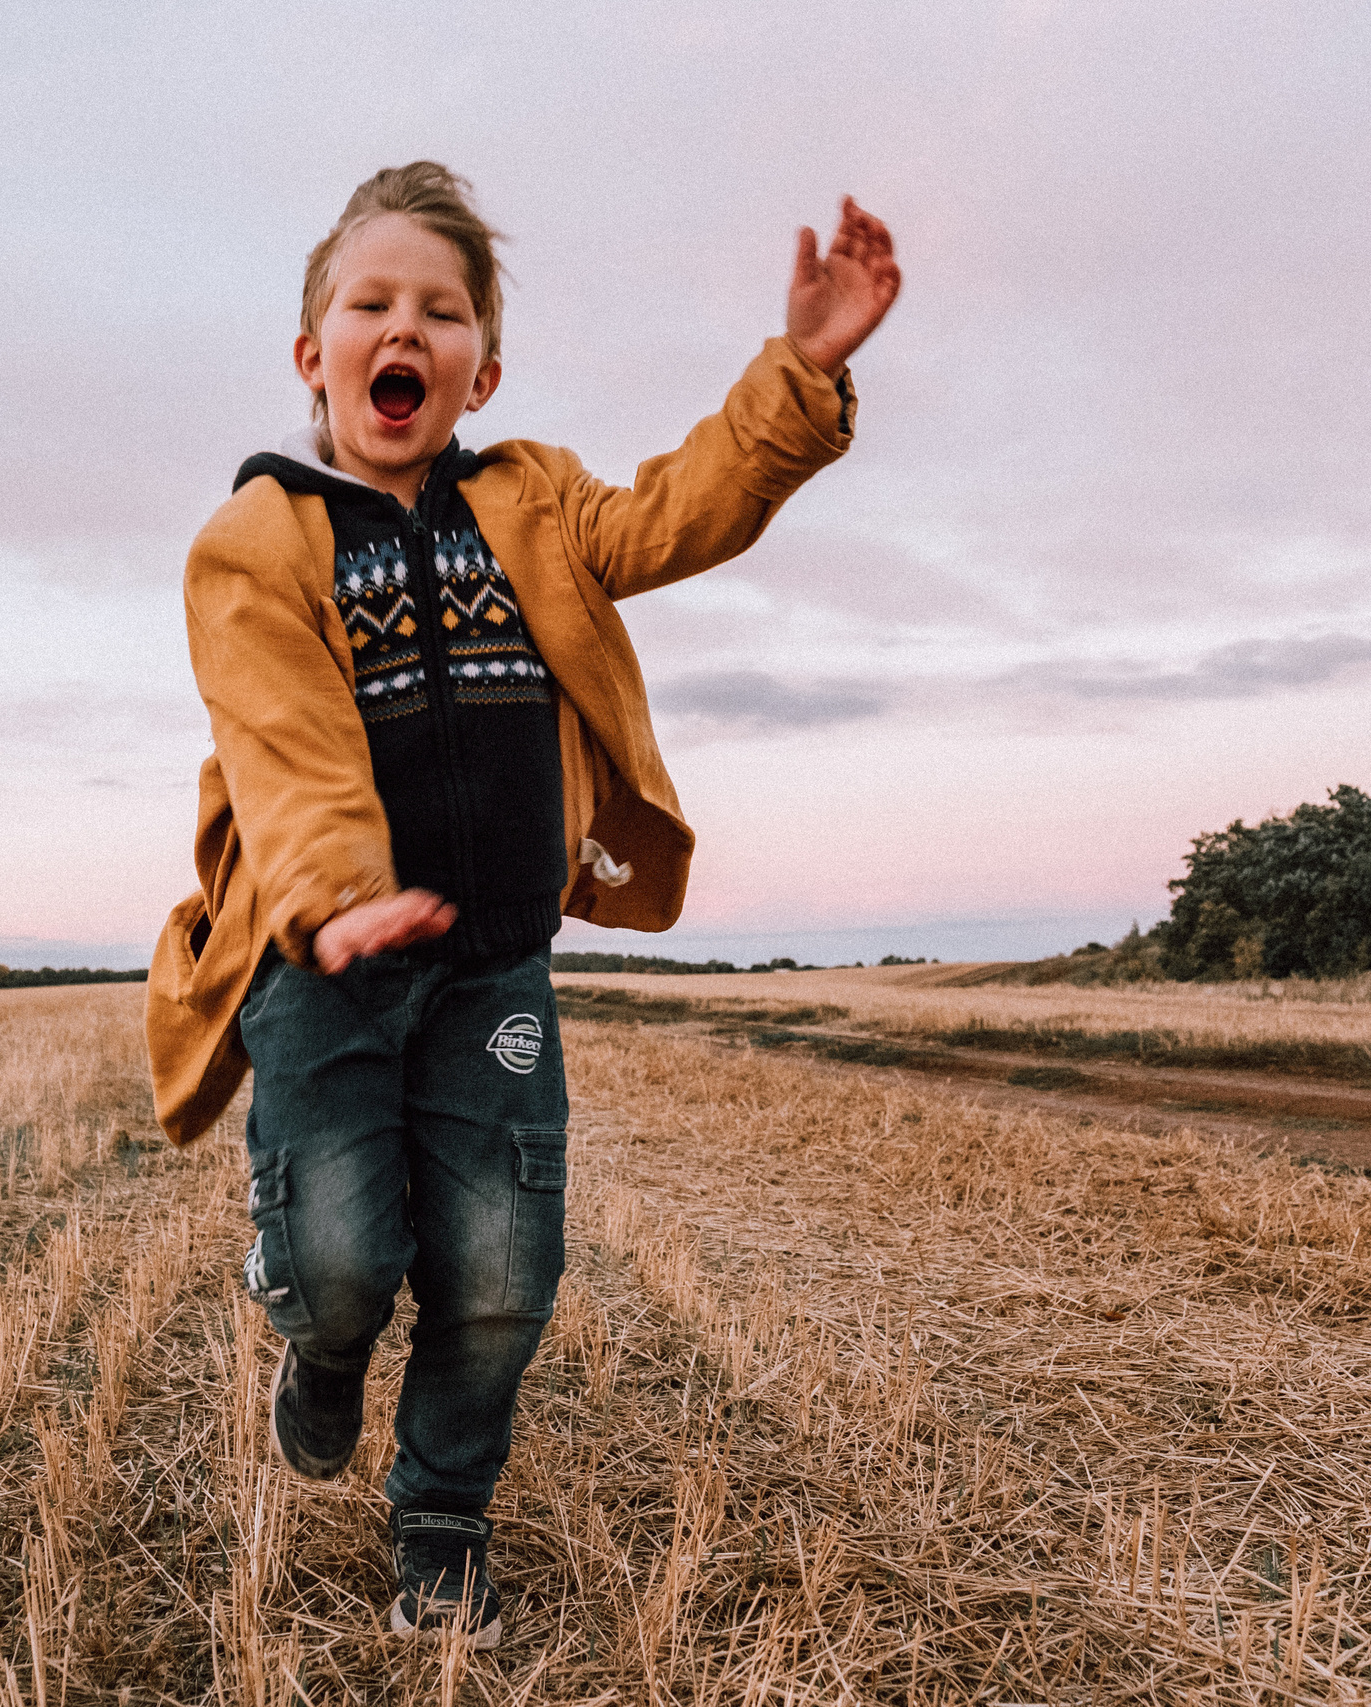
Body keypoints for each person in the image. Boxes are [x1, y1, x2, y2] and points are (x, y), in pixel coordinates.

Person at [145, 162, 899, 1648]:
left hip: (494, 969)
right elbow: (283, 745)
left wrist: (799, 371)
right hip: (321, 967)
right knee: (350, 1259)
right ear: (317, 355)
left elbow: (678, 515)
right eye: (370, 304)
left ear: (481, 366)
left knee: (500, 1268)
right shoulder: (257, 544)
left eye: (440, 309)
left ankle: (441, 1517)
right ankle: (318, 1332)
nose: (400, 327)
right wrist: (342, 898)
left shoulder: (531, 503)